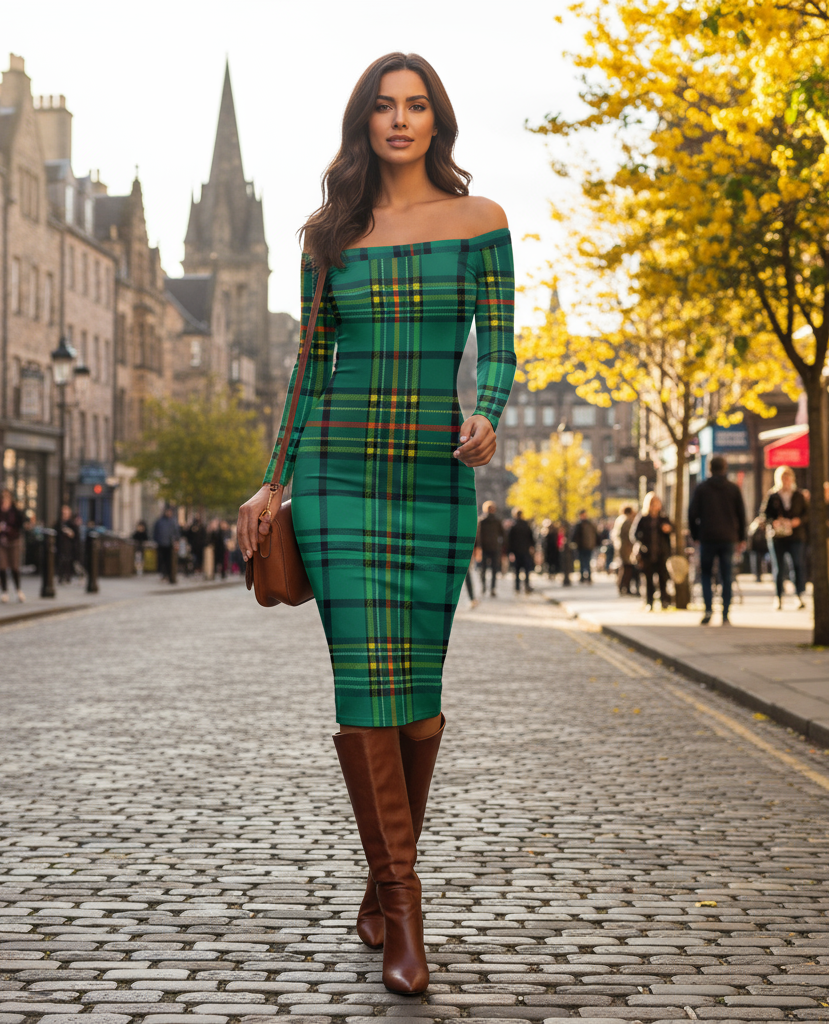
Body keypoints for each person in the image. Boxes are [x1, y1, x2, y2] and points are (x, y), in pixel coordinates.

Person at [236, 52, 514, 997]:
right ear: (365, 122)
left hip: (433, 479)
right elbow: (308, 369)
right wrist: (272, 481)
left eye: (417, 105)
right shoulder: (329, 234)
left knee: (418, 697)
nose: (400, 119)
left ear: (438, 121)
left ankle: (379, 874)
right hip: (337, 479)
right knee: (364, 685)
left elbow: (502, 346)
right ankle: (404, 907)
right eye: (385, 106)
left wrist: (488, 416)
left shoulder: (482, 223)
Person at [688, 455, 747, 625]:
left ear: (710, 469)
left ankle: (708, 609)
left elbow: (692, 514)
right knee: (726, 575)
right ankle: (725, 613)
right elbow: (741, 515)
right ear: (725, 468)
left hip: (707, 537)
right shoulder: (733, 488)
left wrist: (696, 535)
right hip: (728, 538)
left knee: (706, 575)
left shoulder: (702, 488)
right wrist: (741, 537)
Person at [760, 466, 809, 609]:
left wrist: (798, 521)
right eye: (783, 478)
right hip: (778, 537)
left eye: (788, 478)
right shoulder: (773, 495)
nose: (786, 481)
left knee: (797, 565)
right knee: (778, 568)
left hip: (796, 536)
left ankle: (798, 595)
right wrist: (774, 522)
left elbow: (807, 514)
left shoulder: (798, 495)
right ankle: (778, 597)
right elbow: (764, 515)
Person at [630, 492, 673, 610]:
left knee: (663, 578)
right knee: (648, 579)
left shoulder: (663, 518)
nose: (655, 505)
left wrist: (668, 529)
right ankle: (649, 602)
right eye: (653, 503)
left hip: (661, 553)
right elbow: (634, 534)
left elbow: (671, 530)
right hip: (647, 553)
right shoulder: (643, 518)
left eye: (657, 503)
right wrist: (642, 543)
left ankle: (664, 601)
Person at [0, 489, 26, 602]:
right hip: (1, 542)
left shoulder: (15, 511)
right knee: (2, 566)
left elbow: (21, 524)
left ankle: (18, 590)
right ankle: (4, 591)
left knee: (15, 566)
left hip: (14, 541)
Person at [476, 500, 505, 598]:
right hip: (495, 547)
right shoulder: (497, 521)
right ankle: (492, 588)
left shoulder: (481, 521)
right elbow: (503, 535)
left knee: (483, 569)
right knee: (494, 569)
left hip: (484, 548)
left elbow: (478, 536)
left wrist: (478, 547)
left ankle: (484, 587)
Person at [507, 509, 536, 593]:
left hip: (516, 551)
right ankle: (527, 585)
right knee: (526, 570)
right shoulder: (526, 525)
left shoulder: (513, 526)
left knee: (517, 570)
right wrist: (532, 547)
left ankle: (517, 587)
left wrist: (510, 552)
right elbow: (531, 538)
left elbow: (510, 540)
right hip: (525, 550)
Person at [613, 504, 639, 596]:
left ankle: (623, 587)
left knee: (624, 568)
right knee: (627, 568)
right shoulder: (626, 521)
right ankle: (624, 587)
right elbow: (629, 536)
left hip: (622, 547)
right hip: (626, 548)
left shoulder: (620, 519)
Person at [570, 509, 598, 583]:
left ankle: (588, 577)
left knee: (587, 561)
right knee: (582, 562)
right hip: (581, 546)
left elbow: (595, 535)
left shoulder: (590, 524)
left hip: (589, 546)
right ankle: (582, 576)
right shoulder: (579, 525)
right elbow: (575, 536)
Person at [153, 508, 180, 581]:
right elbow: (155, 532)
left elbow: (176, 532)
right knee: (162, 560)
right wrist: (156, 540)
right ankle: (163, 574)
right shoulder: (160, 521)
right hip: (161, 544)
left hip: (169, 544)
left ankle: (169, 575)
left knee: (169, 561)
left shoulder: (173, 521)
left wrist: (176, 540)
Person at [56, 504, 78, 584]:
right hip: (60, 545)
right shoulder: (59, 523)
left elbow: (76, 536)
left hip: (69, 546)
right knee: (61, 561)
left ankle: (68, 576)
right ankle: (61, 576)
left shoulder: (72, 524)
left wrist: (71, 533)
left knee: (68, 561)